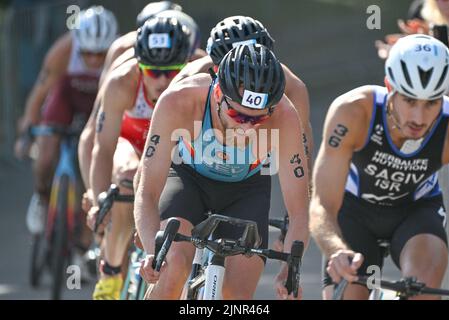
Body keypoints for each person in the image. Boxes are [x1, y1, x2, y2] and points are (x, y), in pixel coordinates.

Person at [134, 43, 310, 300]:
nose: (247, 128)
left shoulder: (284, 116)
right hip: (188, 179)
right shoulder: (179, 100)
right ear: (217, 94)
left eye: (257, 119)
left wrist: (289, 270)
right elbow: (147, 191)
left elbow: (299, 211)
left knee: (235, 298)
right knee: (171, 270)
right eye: (238, 116)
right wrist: (153, 253)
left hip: (246, 189)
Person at [310, 34, 449, 300]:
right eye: (409, 100)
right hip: (353, 213)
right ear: (389, 86)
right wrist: (335, 249)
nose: (419, 118)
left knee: (424, 290)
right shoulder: (353, 113)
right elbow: (322, 204)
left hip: (416, 213)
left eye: (431, 103)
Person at [86, 16, 193, 300]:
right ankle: (109, 275)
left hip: (174, 147)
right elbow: (103, 147)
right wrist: (98, 199)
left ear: (187, 61)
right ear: (138, 65)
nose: (160, 80)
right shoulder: (121, 82)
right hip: (131, 144)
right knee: (127, 179)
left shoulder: (199, 71)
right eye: (152, 71)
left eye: (171, 71)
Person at [14, 5, 118, 237]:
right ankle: (41, 198)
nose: (93, 59)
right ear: (78, 44)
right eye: (87, 53)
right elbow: (39, 93)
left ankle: (84, 237)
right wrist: (28, 129)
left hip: (100, 103)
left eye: (100, 53)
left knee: (95, 169)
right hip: (66, 98)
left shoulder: (120, 52)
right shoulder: (63, 51)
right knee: (45, 156)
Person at [172, 16, 313, 176]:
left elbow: (302, 145)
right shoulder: (190, 78)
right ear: (214, 64)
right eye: (233, 73)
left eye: (255, 72)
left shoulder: (292, 86)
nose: (244, 83)